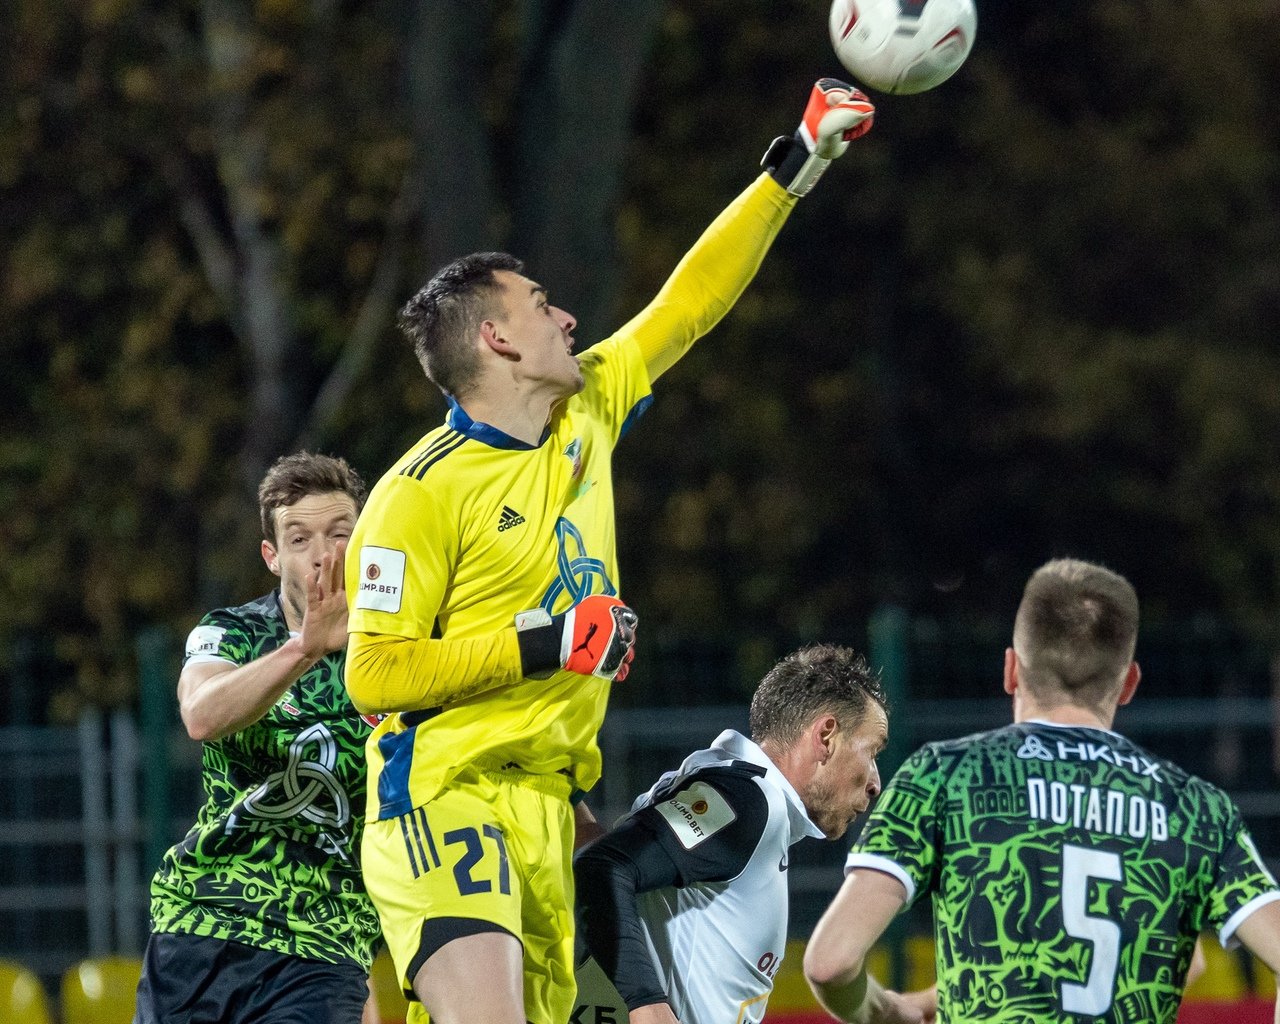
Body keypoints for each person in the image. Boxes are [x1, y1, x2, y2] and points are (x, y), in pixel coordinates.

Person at [343, 78, 876, 1024]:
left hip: (552, 810)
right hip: (445, 793)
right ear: (498, 339)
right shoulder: (415, 494)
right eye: (542, 305)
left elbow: (690, 304)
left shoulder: (586, 409)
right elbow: (373, 674)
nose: (568, 320)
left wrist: (799, 162)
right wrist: (546, 642)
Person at [803, 558, 1280, 1024]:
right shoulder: (1197, 810)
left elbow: (831, 962)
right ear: (1129, 683)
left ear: (1011, 670)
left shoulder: (944, 776)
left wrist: (889, 1012)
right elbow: (1188, 961)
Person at [135, 452, 383, 1024]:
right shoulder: (233, 630)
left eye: (340, 533)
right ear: (272, 556)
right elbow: (200, 715)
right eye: (299, 539)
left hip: (324, 943)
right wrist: (304, 650)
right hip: (202, 920)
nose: (323, 554)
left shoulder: (395, 654)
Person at [572, 644, 922, 1024]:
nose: (875, 783)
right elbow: (603, 867)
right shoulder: (750, 802)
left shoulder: (728, 789)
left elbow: (602, 859)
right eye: (872, 753)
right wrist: (647, 1006)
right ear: (826, 736)